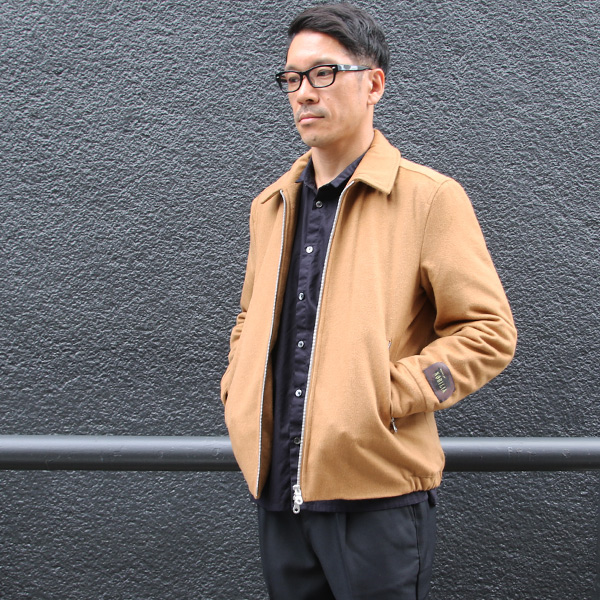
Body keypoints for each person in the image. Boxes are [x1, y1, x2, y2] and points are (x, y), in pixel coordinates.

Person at [221, 3, 517, 598]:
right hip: (279, 494)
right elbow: (250, 317)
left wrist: (388, 395)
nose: (304, 92)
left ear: (374, 84)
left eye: (323, 73)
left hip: (378, 500)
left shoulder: (428, 198)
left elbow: (488, 332)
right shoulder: (271, 206)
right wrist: (238, 387)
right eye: (292, 78)